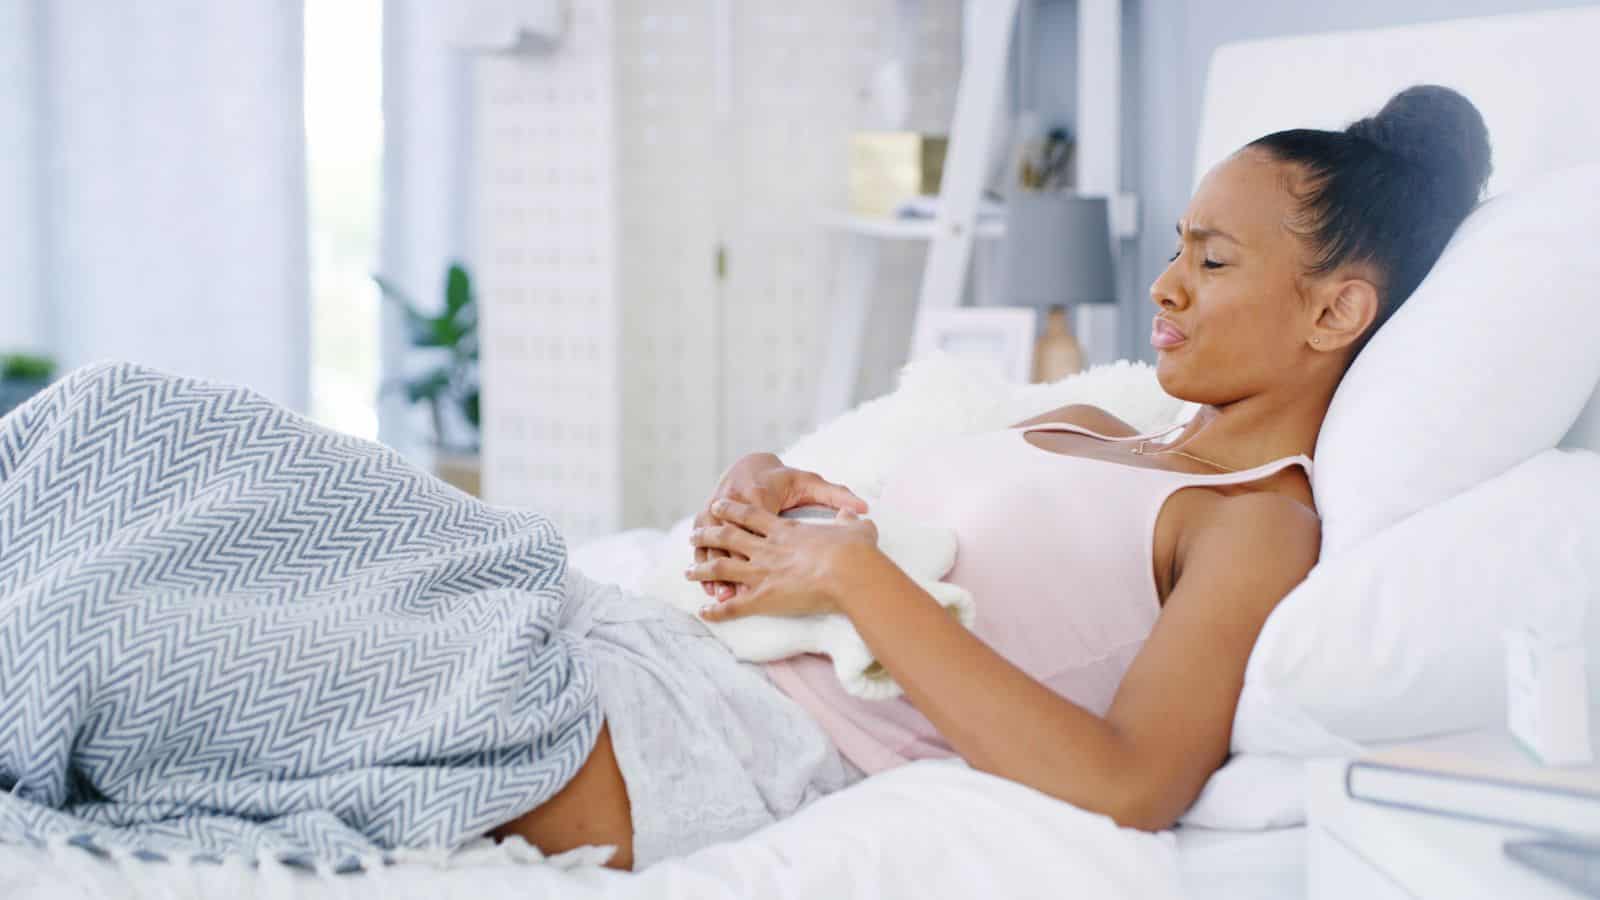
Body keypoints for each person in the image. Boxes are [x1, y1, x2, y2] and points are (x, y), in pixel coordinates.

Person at [491, 83, 1493, 870]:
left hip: (726, 735)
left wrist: (850, 577)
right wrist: (766, 483)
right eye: (1176, 247)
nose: (1164, 283)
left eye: (1213, 260)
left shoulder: (1251, 525)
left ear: (1334, 313)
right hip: (638, 640)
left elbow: (1134, 783)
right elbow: (873, 529)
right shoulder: (1085, 421)